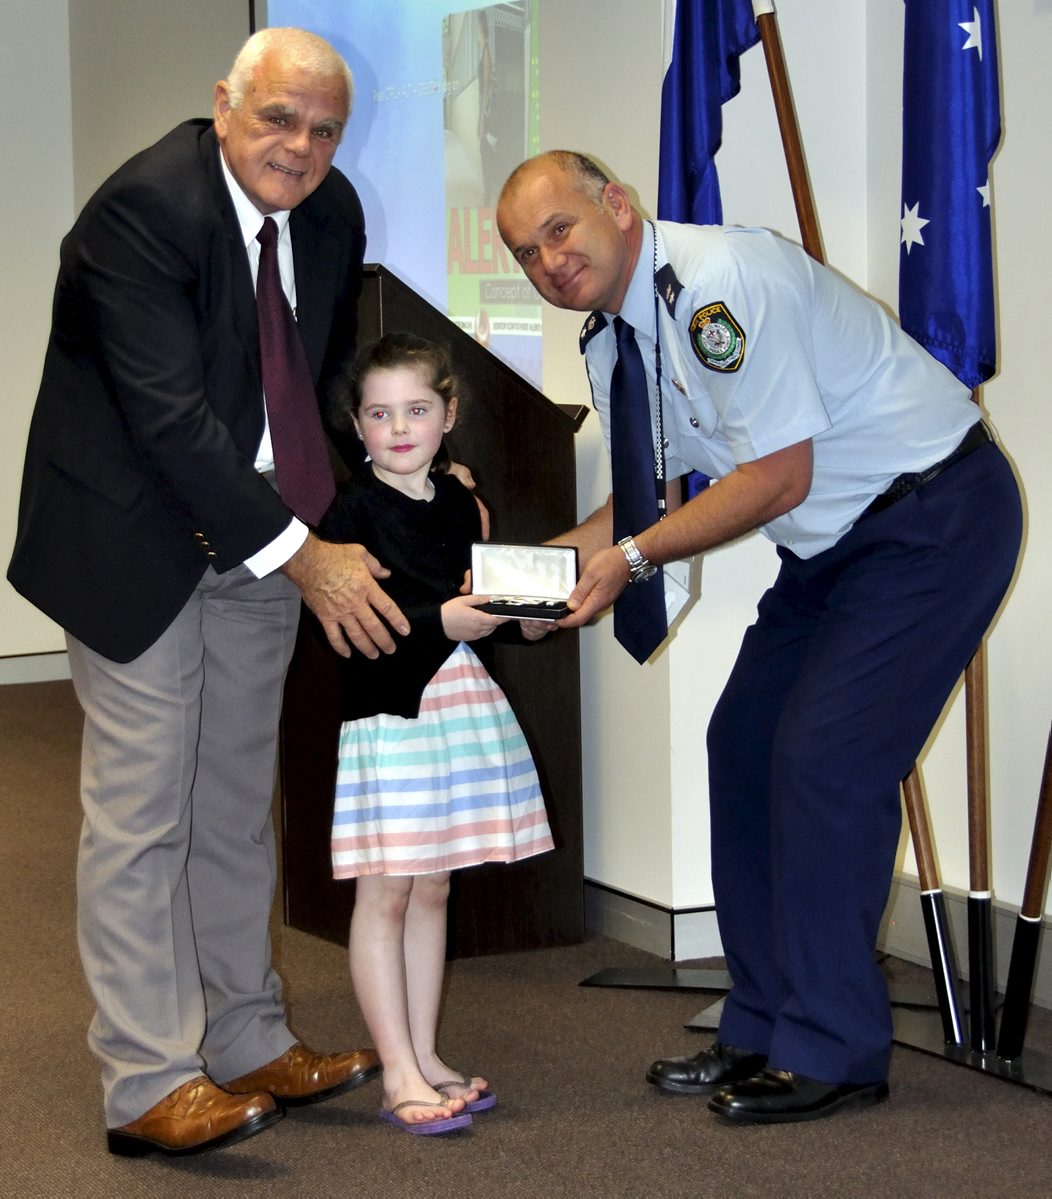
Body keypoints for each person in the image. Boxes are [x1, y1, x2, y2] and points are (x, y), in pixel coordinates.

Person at [496, 151, 1022, 1124]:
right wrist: (538, 573)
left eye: (559, 229)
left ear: (617, 205)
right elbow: (644, 502)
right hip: (833, 545)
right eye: (526, 253)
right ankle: (763, 1023)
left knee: (824, 761)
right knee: (741, 744)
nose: (548, 261)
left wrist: (630, 561)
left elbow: (776, 476)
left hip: (932, 516)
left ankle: (833, 1047)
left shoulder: (717, 285)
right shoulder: (613, 341)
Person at [6, 28, 412, 1157]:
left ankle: (244, 1037)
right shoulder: (143, 210)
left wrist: (403, 471)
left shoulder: (329, 214)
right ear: (225, 102)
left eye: (324, 130)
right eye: (279, 118)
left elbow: (314, 382)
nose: (301, 148)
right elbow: (170, 420)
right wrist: (306, 554)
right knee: (144, 811)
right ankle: (146, 1078)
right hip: (129, 537)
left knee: (232, 804)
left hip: (257, 540)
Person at [318, 332, 555, 1136]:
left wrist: (524, 616)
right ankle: (397, 1074)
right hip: (391, 712)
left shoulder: (459, 500)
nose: (399, 428)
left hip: (454, 701)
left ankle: (424, 1054)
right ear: (357, 424)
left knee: (434, 885)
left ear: (448, 415)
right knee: (385, 890)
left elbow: (476, 595)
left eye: (417, 409)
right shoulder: (348, 513)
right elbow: (347, 627)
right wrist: (439, 621)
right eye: (380, 413)